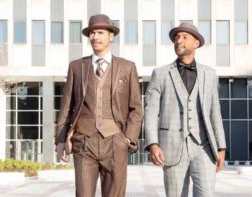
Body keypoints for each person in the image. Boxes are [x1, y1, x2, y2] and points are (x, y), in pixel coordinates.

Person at [55, 14, 143, 197]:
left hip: (115, 141)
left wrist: (128, 139)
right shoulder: (76, 67)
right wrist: (61, 140)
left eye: (101, 32)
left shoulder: (127, 67)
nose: (95, 37)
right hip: (84, 142)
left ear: (111, 36)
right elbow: (66, 106)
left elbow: (136, 108)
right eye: (92, 33)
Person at [144, 22, 226, 197]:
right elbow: (150, 112)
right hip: (172, 147)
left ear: (196, 43)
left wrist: (221, 147)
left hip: (204, 147)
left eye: (184, 37)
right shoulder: (160, 74)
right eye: (176, 38)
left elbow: (215, 114)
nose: (178, 41)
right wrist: (153, 144)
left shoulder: (209, 74)